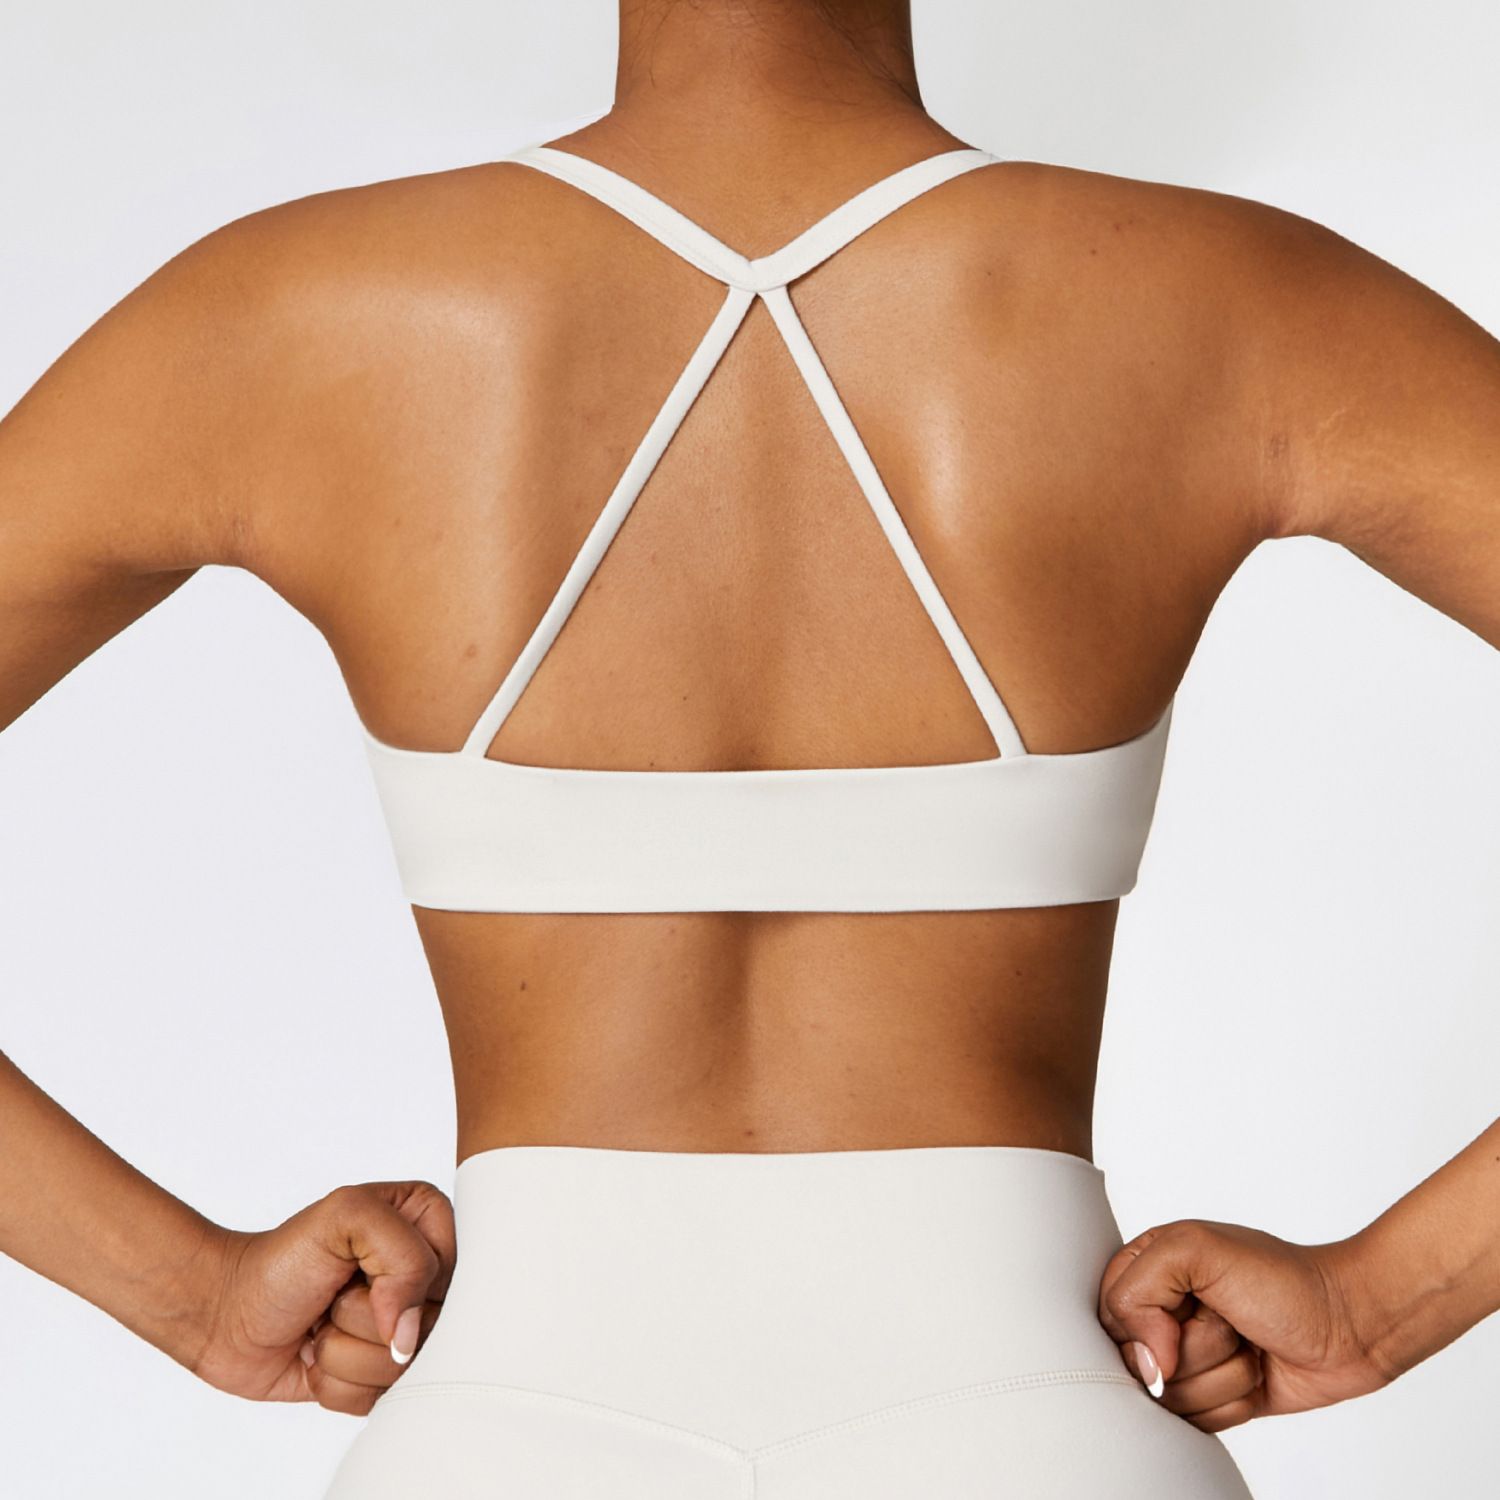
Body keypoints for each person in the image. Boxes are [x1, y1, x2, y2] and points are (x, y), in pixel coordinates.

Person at [1, 1, 1496, 1495]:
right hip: (1036, 1429)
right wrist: (1379, 1307)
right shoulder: (1227, 300)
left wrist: (192, 1298)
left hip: (502, 1428)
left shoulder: (283, 315)